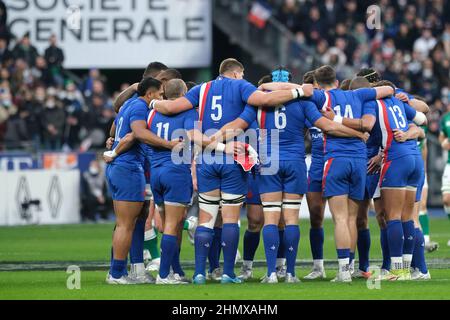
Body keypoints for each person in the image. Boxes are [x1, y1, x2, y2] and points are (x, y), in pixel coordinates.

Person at [152, 58, 313, 284]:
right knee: (230, 219)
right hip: (232, 158)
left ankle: (200, 273)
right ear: (237, 73)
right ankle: (228, 273)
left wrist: (153, 104)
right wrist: (299, 92)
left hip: (207, 159)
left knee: (206, 219)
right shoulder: (243, 87)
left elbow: (170, 106)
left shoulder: (202, 88)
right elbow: (265, 99)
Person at [307, 65, 394, 282]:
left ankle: (343, 271)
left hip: (336, 159)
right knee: (354, 218)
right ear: (337, 81)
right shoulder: (360, 95)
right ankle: (353, 266)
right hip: (359, 161)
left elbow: (302, 91)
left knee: (340, 219)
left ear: (318, 83)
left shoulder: (322, 97)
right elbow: (388, 91)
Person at [105, 77, 177, 284]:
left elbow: (114, 131)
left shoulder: (128, 104)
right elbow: (136, 134)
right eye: (160, 94)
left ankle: (118, 271)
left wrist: (113, 146)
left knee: (124, 224)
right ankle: (117, 274)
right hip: (128, 167)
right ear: (150, 94)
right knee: (126, 225)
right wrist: (168, 144)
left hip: (119, 167)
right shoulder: (140, 108)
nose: (161, 98)